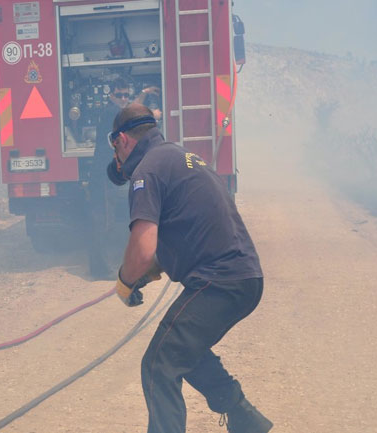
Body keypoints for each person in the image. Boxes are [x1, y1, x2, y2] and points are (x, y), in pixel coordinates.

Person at [107, 103, 273, 433]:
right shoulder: (178, 157)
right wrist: (151, 270)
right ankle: (244, 418)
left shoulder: (146, 172)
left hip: (220, 281)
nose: (119, 164)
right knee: (184, 351)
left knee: (158, 364)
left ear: (123, 140)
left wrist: (125, 281)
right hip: (242, 277)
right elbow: (187, 229)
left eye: (116, 152)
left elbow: (142, 247)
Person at [86, 77, 132, 280]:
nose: (123, 99)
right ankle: (100, 270)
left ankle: (101, 266)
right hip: (103, 176)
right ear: (111, 95)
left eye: (126, 95)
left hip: (105, 174)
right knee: (103, 220)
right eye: (119, 95)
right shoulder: (112, 113)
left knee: (105, 219)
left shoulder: (112, 112)